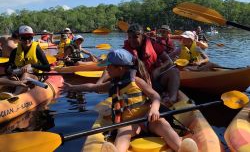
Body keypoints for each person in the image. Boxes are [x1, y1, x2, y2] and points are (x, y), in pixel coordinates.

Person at [60, 49, 193, 152]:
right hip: (130, 124)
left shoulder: (136, 81)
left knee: (164, 125)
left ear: (120, 68)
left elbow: (155, 96)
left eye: (109, 66)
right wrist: (73, 87)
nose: (106, 69)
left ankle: (181, 147)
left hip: (148, 119)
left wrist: (154, 108)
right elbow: (93, 87)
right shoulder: (112, 84)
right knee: (124, 131)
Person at [5, 25, 50, 95]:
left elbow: (47, 67)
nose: (27, 41)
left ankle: (14, 95)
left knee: (25, 75)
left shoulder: (37, 50)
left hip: (34, 76)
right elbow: (9, 65)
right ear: (20, 38)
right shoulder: (14, 51)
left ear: (32, 38)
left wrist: (31, 65)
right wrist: (9, 69)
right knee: (7, 78)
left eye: (29, 38)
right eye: (24, 38)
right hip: (18, 76)